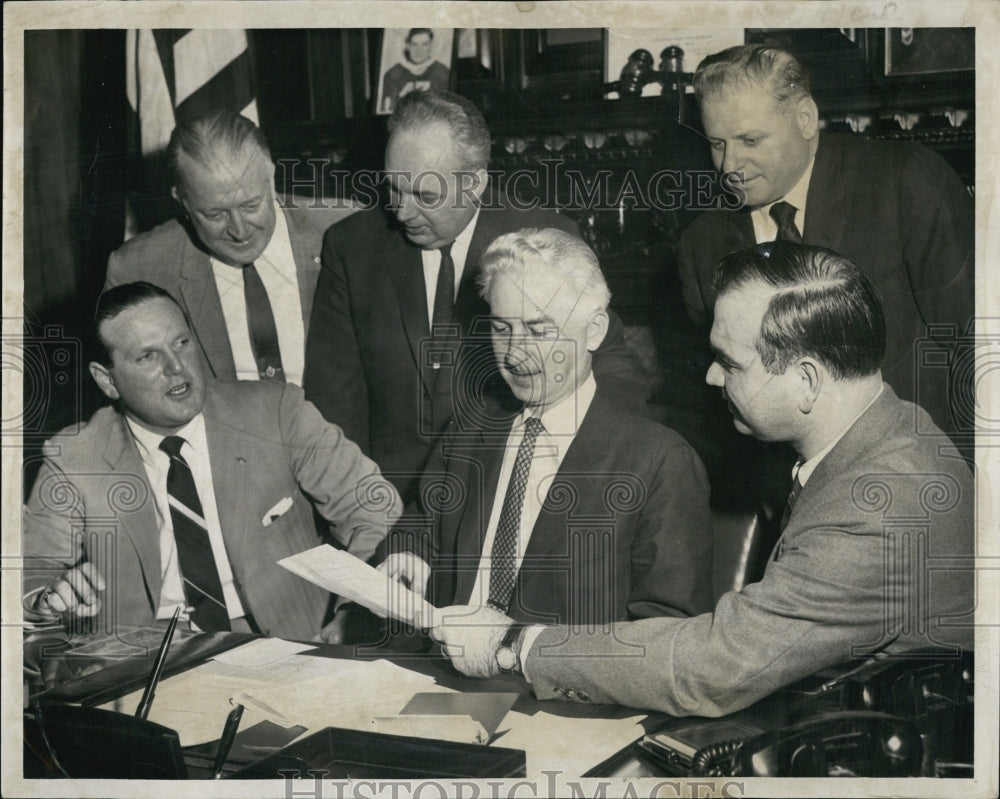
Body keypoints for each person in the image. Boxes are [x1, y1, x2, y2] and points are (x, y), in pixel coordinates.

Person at [428, 242, 974, 718]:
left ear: (807, 380)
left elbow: (715, 668)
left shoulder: (883, 504)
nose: (711, 376)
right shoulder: (888, 435)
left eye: (730, 364)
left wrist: (516, 643)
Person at [304, 90, 648, 505]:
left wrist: (566, 461)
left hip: (509, 496)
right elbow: (336, 404)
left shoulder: (543, 239)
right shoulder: (351, 247)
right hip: (389, 503)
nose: (401, 212)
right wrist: (365, 510)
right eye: (394, 188)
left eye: (425, 196)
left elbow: (614, 364)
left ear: (474, 183)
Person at [22, 282, 401, 642]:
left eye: (181, 343)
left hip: (290, 641)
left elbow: (374, 508)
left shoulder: (276, 412)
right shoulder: (74, 458)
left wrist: (357, 607)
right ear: (107, 380)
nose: (176, 367)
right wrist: (46, 597)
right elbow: (32, 567)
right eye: (148, 356)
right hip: (148, 656)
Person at [378, 229, 712, 630]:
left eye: (538, 331)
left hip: (559, 688)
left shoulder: (658, 463)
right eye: (502, 329)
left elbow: (668, 635)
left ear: (594, 330)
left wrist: (515, 655)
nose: (515, 353)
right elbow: (423, 523)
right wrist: (408, 555)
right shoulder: (470, 429)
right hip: (446, 674)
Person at [677, 44, 974, 448]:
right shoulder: (702, 243)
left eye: (750, 139)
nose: (730, 166)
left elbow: (979, 349)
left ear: (805, 119)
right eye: (717, 143)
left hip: (912, 470)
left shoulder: (906, 182)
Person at [106, 110, 354, 386]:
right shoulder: (140, 268)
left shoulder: (347, 231)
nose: (239, 230)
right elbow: (132, 393)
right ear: (182, 200)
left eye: (250, 206)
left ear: (271, 179)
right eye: (215, 215)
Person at [380, 29, 451, 114]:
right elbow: (386, 111)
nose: (419, 50)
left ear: (430, 46)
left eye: (424, 44)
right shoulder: (393, 75)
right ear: (407, 46)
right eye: (414, 44)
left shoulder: (442, 73)